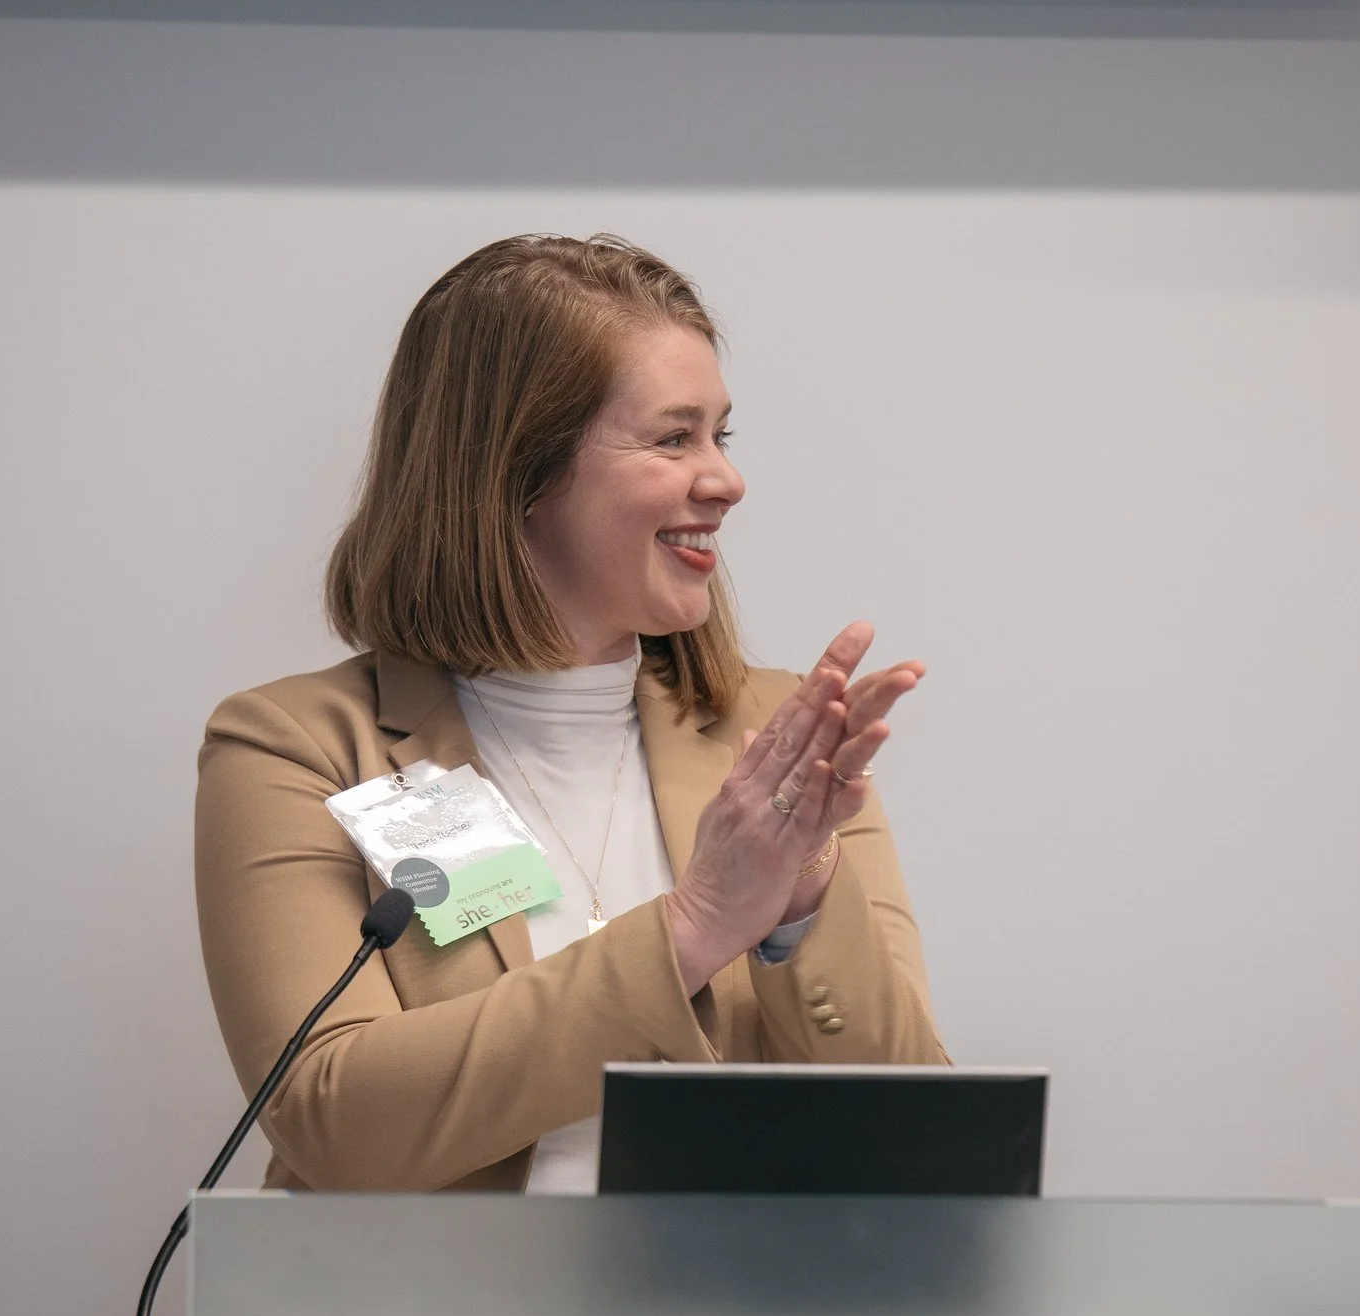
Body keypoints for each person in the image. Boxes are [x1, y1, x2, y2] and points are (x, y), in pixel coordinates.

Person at [195, 233, 946, 1193]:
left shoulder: (780, 741)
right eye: (674, 437)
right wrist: (698, 923)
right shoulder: (299, 747)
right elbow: (333, 1121)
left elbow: (919, 1136)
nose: (724, 479)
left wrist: (799, 906)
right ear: (519, 472)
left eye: (721, 434)